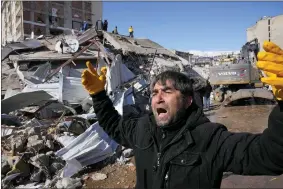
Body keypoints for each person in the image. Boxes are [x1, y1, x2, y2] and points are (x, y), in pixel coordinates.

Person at [81, 41, 283, 189]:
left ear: (188, 100)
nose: (158, 98)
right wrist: (99, 96)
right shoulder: (141, 129)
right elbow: (113, 125)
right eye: (154, 93)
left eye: (167, 91)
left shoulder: (211, 139)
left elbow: (270, 155)